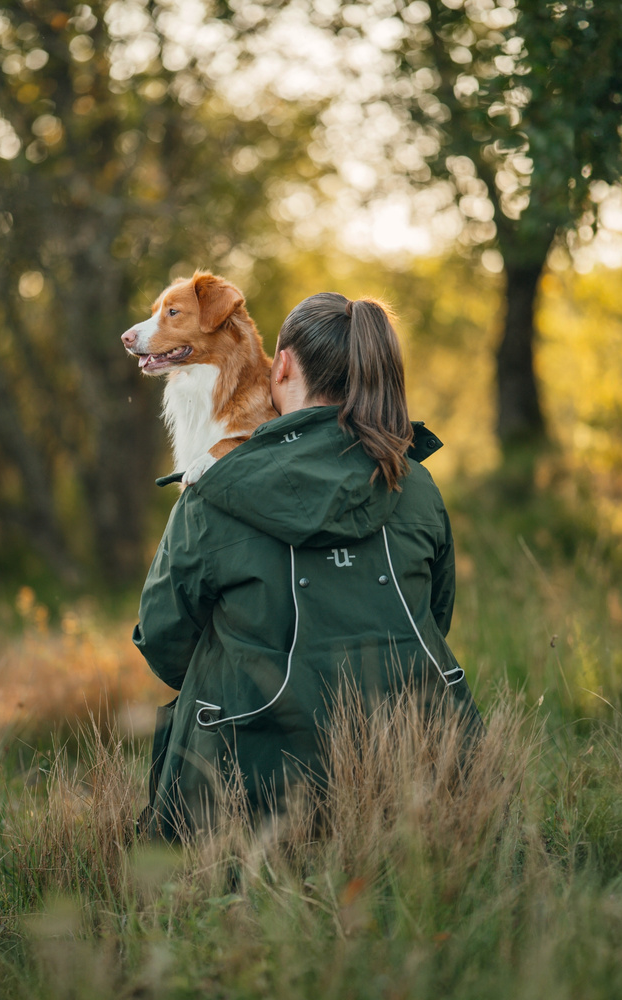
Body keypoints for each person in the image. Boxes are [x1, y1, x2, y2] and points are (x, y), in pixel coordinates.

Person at [133, 292, 483, 840]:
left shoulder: (210, 491)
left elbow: (161, 639)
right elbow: (432, 617)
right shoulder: (415, 483)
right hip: (417, 791)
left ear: (284, 365)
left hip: (244, 799)